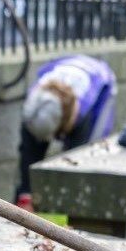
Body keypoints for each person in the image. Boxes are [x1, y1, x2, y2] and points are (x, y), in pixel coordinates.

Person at [14, 54, 117, 211]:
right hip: (63, 67)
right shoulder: (32, 106)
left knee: (83, 159)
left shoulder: (84, 110)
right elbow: (28, 154)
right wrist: (26, 194)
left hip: (100, 85)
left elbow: (75, 166)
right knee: (30, 152)